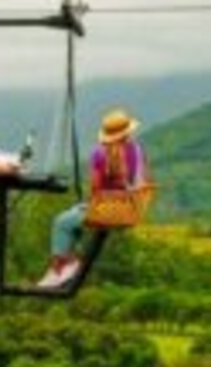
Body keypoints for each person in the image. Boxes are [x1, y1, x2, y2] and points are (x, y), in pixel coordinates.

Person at [37, 109, 148, 289]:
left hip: (107, 211)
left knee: (61, 222)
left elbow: (96, 189)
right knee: (75, 212)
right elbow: (140, 181)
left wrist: (95, 201)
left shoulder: (101, 154)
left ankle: (60, 267)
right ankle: (62, 267)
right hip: (131, 209)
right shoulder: (137, 150)